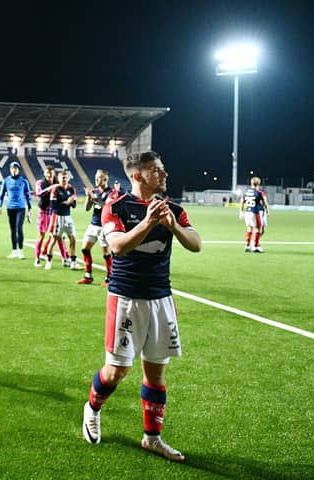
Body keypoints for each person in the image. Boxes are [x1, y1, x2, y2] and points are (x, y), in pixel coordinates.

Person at [82, 151, 201, 462]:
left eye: (162, 169)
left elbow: (196, 243)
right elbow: (118, 247)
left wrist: (173, 225)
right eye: (156, 170)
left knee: (156, 372)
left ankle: (152, 438)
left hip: (161, 298)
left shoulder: (172, 208)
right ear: (137, 175)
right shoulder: (117, 206)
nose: (164, 175)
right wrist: (148, 222)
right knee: (117, 370)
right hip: (126, 299)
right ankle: (92, 409)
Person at [76, 169, 123, 286]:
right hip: (93, 224)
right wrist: (88, 197)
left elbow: (106, 206)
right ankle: (88, 276)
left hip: (104, 226)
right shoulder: (95, 191)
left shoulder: (111, 192)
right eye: (96, 177)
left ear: (106, 179)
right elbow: (87, 208)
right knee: (85, 249)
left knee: (106, 253)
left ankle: (109, 278)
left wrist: (94, 197)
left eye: (100, 177)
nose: (97, 180)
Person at [33, 166, 68, 267]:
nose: (49, 175)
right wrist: (50, 188)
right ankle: (37, 259)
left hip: (55, 212)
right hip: (43, 212)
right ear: (44, 173)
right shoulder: (40, 183)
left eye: (51, 173)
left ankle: (65, 259)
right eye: (47, 173)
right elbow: (39, 193)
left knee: (58, 236)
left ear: (54, 174)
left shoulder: (58, 182)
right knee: (41, 235)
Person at [44, 170, 80, 270]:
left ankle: (73, 262)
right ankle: (49, 261)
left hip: (68, 217)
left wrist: (71, 202)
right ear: (59, 179)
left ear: (68, 178)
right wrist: (67, 202)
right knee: (53, 240)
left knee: (73, 239)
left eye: (65, 177)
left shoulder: (72, 189)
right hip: (58, 217)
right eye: (62, 178)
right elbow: (53, 205)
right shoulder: (55, 189)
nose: (64, 179)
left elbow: (74, 205)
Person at [0, 161, 32, 259]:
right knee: (12, 230)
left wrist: (29, 208)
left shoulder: (24, 181)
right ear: (10, 169)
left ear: (18, 170)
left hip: (21, 208)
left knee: (19, 228)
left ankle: (21, 251)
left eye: (16, 168)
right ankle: (14, 251)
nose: (14, 170)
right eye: (12, 168)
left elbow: (28, 195)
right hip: (10, 208)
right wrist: (0, 206)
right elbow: (1, 194)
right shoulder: (6, 181)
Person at [238, 176, 270, 252]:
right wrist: (268, 210)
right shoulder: (259, 192)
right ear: (259, 183)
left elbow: (242, 202)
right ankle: (256, 246)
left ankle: (247, 245)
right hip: (255, 212)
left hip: (247, 212)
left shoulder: (246, 191)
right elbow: (265, 203)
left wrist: (241, 212)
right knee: (258, 229)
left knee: (249, 228)